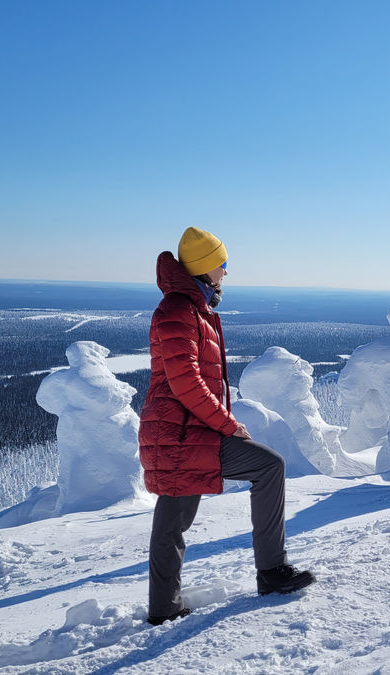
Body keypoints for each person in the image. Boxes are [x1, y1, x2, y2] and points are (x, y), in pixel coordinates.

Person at [139, 226, 316, 626]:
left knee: (174, 516)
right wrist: (228, 425)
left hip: (184, 431)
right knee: (268, 468)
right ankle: (271, 573)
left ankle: (164, 607)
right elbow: (186, 381)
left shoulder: (190, 308)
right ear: (205, 267)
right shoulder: (179, 311)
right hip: (182, 432)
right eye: (222, 264)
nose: (225, 272)